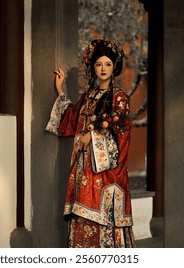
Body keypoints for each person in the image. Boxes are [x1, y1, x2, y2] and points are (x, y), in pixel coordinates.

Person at [46, 39, 136, 248]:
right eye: (98, 64)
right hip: (83, 170)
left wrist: (92, 137)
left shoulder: (119, 98)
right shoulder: (88, 96)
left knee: (104, 222)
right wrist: (60, 90)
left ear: (114, 67)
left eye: (107, 64)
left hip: (105, 174)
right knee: (82, 215)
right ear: (92, 67)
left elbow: (122, 137)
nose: (103, 69)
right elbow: (70, 120)